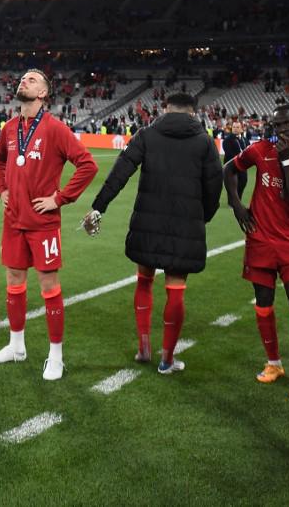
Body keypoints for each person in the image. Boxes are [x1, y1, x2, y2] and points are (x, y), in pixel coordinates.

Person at [82, 93, 223, 374]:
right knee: (176, 289)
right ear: (194, 113)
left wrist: (99, 207)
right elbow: (214, 186)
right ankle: (167, 359)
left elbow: (120, 172)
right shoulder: (205, 141)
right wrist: (202, 217)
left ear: (165, 109)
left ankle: (144, 346)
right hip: (185, 225)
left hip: (147, 222)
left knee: (144, 281)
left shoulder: (148, 134)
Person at [0, 70, 98, 380]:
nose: (24, 81)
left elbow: (88, 165)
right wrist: (2, 188)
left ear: (43, 94)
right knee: (13, 279)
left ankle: (56, 356)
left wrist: (60, 199)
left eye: (32, 80)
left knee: (48, 286)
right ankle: (16, 346)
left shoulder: (55, 129)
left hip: (43, 223)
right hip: (13, 221)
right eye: (23, 78)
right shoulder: (9, 128)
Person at [224, 106, 289, 401]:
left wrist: (287, 160)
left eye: (288, 124)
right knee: (263, 304)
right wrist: (236, 204)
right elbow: (229, 169)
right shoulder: (258, 150)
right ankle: (274, 363)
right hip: (261, 238)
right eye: (277, 124)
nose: (281, 129)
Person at [221, 121, 247, 198]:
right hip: (231, 166)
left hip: (242, 166)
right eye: (234, 127)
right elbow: (229, 153)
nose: (235, 129)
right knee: (231, 185)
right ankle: (232, 201)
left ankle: (239, 199)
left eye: (237, 127)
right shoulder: (227, 140)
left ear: (241, 129)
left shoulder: (245, 140)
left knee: (243, 182)